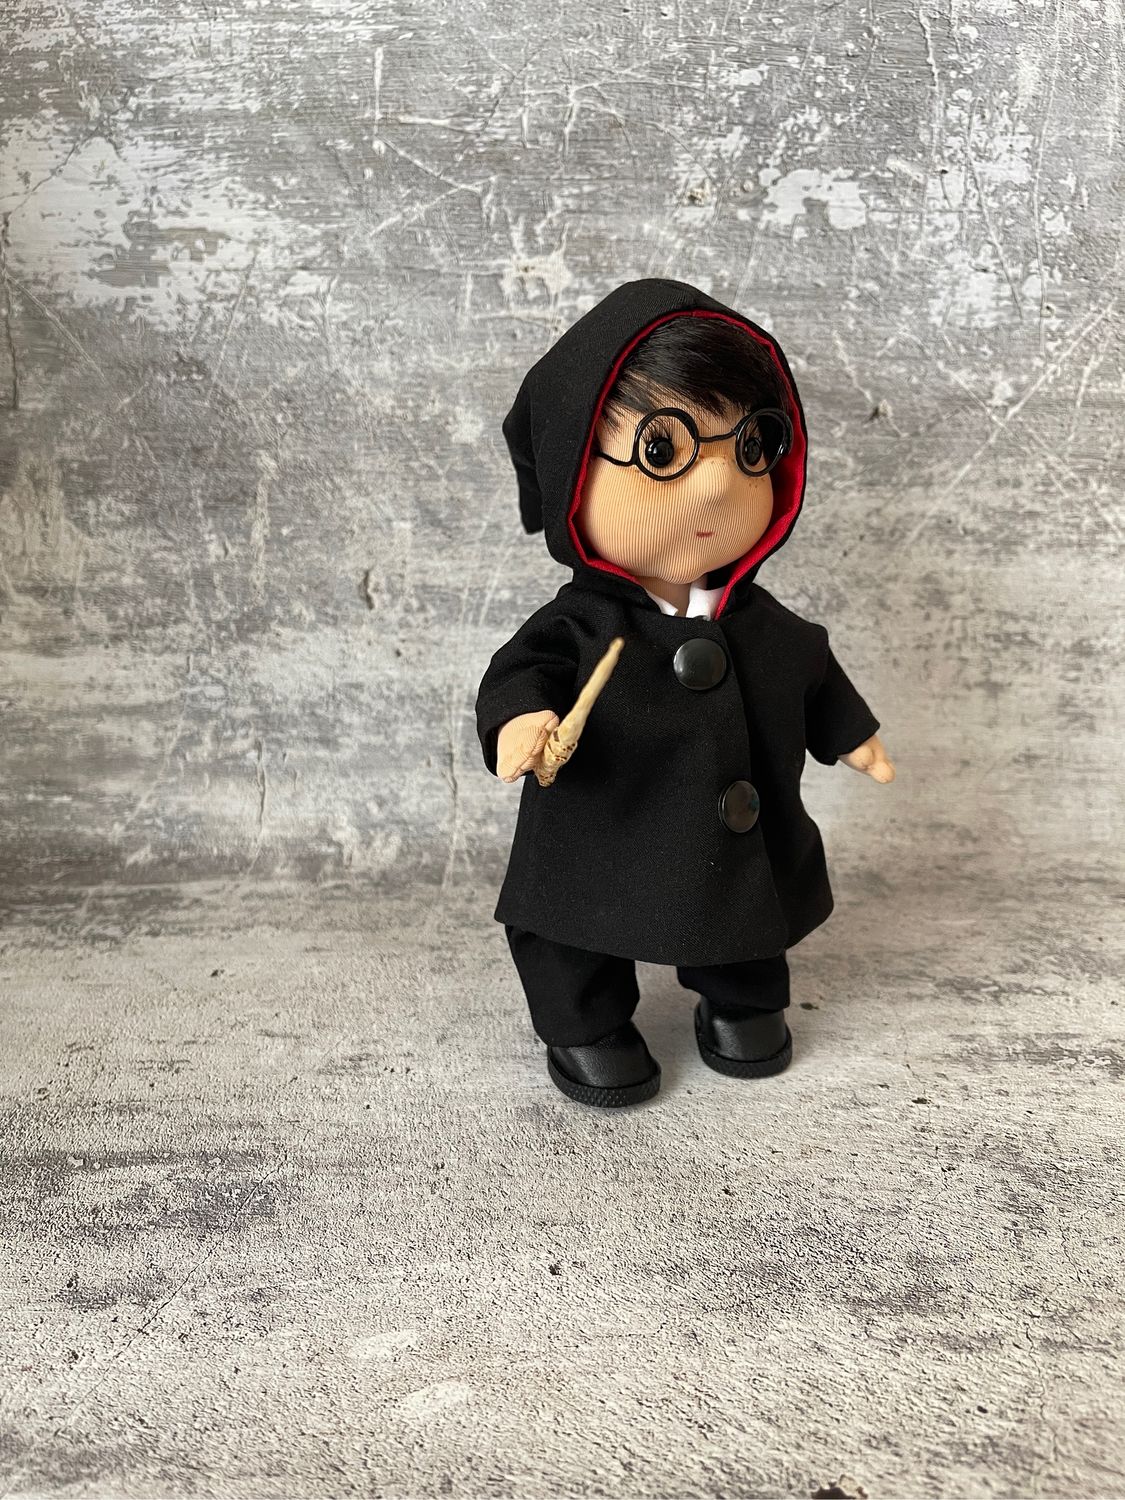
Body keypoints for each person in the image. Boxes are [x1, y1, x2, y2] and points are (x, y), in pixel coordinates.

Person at [475, 278, 895, 1109]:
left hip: (729, 838)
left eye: (748, 449)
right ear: (572, 468)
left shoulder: (758, 621)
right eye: (662, 451)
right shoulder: (579, 628)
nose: (715, 487)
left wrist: (850, 734)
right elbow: (520, 673)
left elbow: (807, 668)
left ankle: (740, 1001)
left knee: (745, 899)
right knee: (571, 924)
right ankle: (584, 1023)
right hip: (600, 826)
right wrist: (520, 720)